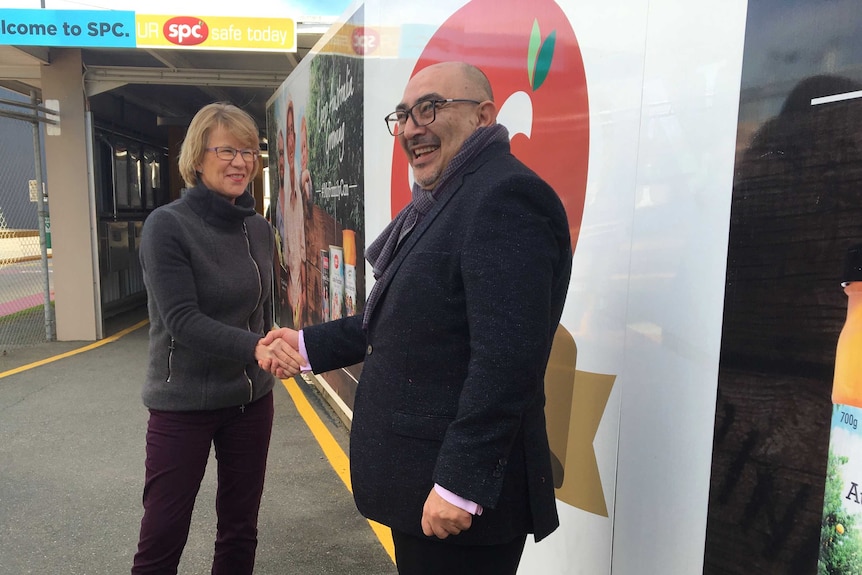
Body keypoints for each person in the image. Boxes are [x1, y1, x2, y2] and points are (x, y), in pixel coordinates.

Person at [262, 61, 572, 575]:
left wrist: (460, 485)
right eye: (403, 115)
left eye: (429, 108)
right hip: (421, 487)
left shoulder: (504, 197)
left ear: (483, 115)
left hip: (455, 504)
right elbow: (402, 322)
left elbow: (508, 361)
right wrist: (305, 343)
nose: (410, 128)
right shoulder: (445, 200)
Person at [132, 102, 303, 575]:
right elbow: (182, 320)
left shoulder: (258, 228)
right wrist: (255, 348)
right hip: (181, 403)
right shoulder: (167, 226)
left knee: (239, 528)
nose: (241, 161)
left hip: (250, 401)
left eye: (249, 151)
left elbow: (261, 313)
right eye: (227, 149)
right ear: (197, 157)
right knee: (164, 531)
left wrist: (277, 342)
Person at [284, 100, 307, 328]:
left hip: (301, 283)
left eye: (293, 132)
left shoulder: (300, 183)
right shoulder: (285, 187)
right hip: (293, 284)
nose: (291, 140)